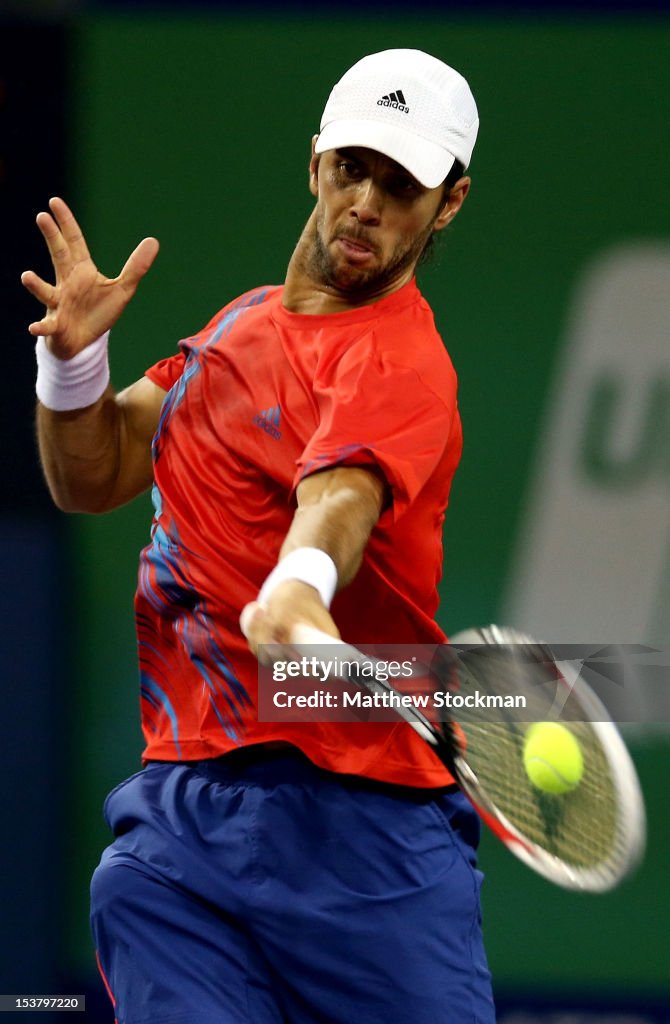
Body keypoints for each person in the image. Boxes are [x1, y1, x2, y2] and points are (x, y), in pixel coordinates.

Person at [23, 48, 495, 1024]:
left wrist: (300, 583)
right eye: (353, 167)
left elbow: (343, 492)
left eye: (402, 182)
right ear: (316, 160)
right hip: (180, 837)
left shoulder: (404, 363)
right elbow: (93, 473)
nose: (367, 201)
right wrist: (74, 367)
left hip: (365, 843)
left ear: (446, 204)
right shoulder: (235, 331)